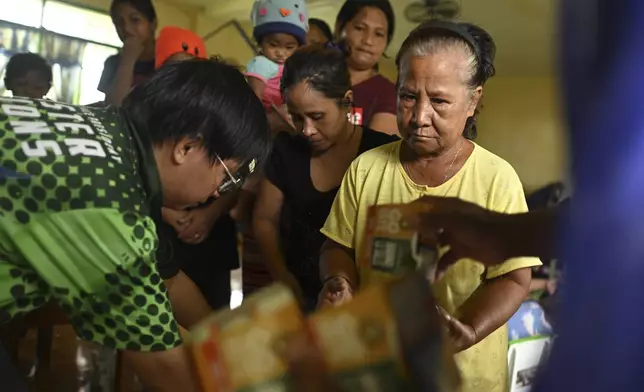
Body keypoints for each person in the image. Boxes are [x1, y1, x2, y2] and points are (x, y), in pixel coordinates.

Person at [0, 59, 271, 391]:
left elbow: (165, 277)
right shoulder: (111, 204)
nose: (217, 193)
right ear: (187, 148)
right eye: (227, 179)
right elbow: (167, 369)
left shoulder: (105, 126)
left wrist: (222, 336)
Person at [318, 21, 541, 391]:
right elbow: (337, 246)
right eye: (408, 96)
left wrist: (468, 330)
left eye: (438, 101)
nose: (420, 116)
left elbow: (514, 277)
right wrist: (338, 280)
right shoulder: (366, 169)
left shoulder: (496, 180)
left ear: (473, 101)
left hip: (465, 378)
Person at [253, 46, 398, 311]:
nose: (307, 130)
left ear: (346, 100)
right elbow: (264, 219)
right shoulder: (287, 152)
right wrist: (284, 279)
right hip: (299, 296)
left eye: (317, 117)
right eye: (296, 117)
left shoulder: (382, 153)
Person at [153, 27, 241, 326]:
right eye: (174, 70)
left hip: (212, 235)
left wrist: (209, 214)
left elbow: (237, 176)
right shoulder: (150, 124)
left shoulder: (220, 121)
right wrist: (166, 211)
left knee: (213, 311)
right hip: (167, 231)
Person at [333, 0, 398, 135]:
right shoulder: (315, 78)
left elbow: (375, 152)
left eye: (379, 34)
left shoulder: (389, 93)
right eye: (360, 28)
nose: (368, 41)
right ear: (339, 28)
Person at [246, 0, 309, 134]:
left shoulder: (291, 66)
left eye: (289, 47)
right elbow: (254, 97)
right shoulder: (261, 64)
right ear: (261, 43)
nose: (281, 53)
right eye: (273, 45)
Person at [99, 0, 157, 106]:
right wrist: (128, 60)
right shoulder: (112, 63)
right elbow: (115, 108)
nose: (126, 28)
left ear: (153, 24)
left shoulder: (169, 61)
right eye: (119, 22)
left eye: (135, 20)